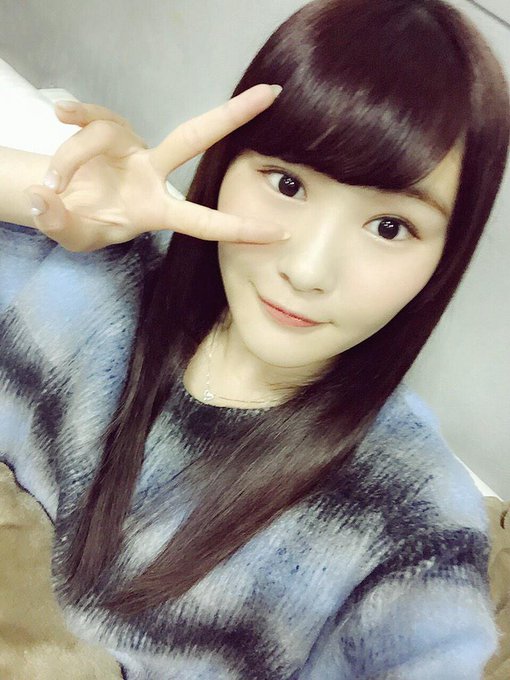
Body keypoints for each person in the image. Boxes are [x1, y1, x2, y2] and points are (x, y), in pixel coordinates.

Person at [0, 0, 508, 677]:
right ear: (226, 163)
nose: (308, 270)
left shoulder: (410, 529)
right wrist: (44, 191)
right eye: (288, 184)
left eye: (390, 227)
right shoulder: (95, 277)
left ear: (446, 257)